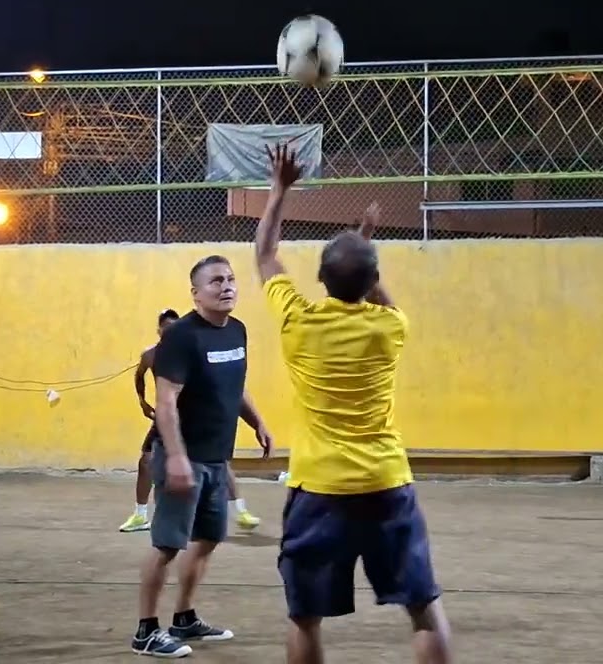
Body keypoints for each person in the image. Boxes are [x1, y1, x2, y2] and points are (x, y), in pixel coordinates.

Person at [254, 142, 452, 664]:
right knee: (423, 609)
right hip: (386, 482)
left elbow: (266, 255)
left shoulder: (298, 322)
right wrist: (364, 247)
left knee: (305, 616)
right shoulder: (390, 328)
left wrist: (279, 190)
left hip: (320, 489)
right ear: (373, 280)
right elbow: (377, 297)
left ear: (320, 279)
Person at [131, 255, 274, 658]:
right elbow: (166, 401)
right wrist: (176, 458)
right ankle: (146, 631)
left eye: (230, 279)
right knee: (167, 545)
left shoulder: (237, 330)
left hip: (216, 457)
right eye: (215, 281)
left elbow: (235, 386)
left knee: (209, 537)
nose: (226, 286)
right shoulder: (180, 337)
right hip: (183, 456)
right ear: (195, 294)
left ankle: (184, 618)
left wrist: (257, 421)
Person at [119, 309, 263, 534]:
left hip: (196, 415)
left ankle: (240, 510)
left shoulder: (192, 347)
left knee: (219, 462)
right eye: (166, 328)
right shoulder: (150, 354)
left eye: (173, 328)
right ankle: (140, 515)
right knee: (146, 461)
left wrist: (255, 422)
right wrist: (142, 402)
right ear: (159, 331)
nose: (170, 332)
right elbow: (139, 376)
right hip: (168, 416)